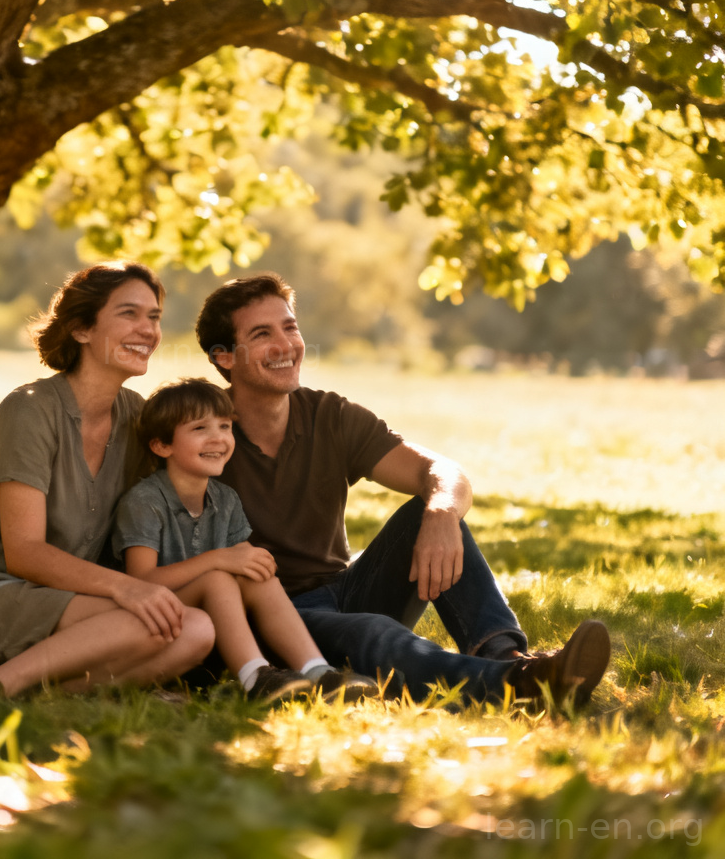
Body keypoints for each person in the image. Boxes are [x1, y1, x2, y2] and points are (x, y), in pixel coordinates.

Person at [194, 273, 611, 706]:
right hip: (271, 612)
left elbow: (441, 470)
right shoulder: (201, 439)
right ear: (224, 357)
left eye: (290, 327)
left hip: (345, 588)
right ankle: (521, 689)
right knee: (373, 631)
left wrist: (442, 513)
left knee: (426, 511)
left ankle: (509, 656)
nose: (286, 345)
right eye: (262, 334)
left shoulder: (329, 416)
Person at [0, 263, 215, 699]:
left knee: (195, 630)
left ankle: (41, 693)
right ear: (81, 328)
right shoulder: (28, 411)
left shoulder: (137, 417)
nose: (148, 330)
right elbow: (24, 554)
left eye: (154, 317)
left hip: (82, 603)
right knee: (151, 620)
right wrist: (127, 589)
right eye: (129, 314)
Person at [113, 378, 382, 702]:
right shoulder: (145, 501)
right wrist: (216, 560)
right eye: (200, 428)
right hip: (165, 626)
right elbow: (141, 581)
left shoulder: (225, 499)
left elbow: (240, 557)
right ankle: (256, 679)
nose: (218, 438)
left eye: (225, 426)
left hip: (219, 627)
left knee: (259, 577)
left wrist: (253, 561)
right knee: (216, 580)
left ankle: (319, 673)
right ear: (162, 445)